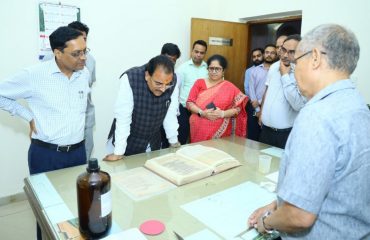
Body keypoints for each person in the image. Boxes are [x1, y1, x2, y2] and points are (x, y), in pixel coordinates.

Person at [248, 24, 370, 239]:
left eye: (297, 61)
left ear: (314, 58)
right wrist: (279, 205)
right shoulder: (357, 104)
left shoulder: (318, 114)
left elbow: (299, 216)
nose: (294, 70)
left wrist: (266, 221)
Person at [0, 26, 90, 240]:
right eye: (76, 53)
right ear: (57, 53)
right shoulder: (34, 75)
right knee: (48, 213)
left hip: (78, 153)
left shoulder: (83, 73)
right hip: (47, 155)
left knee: (77, 209)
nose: (83, 58)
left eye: (85, 51)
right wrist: (27, 115)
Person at [105, 55, 180, 161]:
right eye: (158, 83)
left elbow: (170, 113)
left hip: (152, 143)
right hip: (125, 142)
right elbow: (123, 119)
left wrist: (173, 140)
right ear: (147, 75)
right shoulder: (131, 78)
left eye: (167, 84)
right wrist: (118, 152)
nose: (163, 89)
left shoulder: (173, 80)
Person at [43, 21, 96, 161]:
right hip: (59, 129)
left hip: (84, 122)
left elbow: (88, 89)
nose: (82, 55)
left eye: (84, 40)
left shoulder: (90, 62)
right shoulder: (49, 61)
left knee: (82, 166)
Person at [259, 34, 306, 148]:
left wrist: (285, 75)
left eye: (291, 52)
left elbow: (298, 104)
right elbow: (267, 90)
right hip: (265, 130)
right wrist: (261, 112)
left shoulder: (303, 72)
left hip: (285, 134)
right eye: (283, 49)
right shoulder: (274, 66)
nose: (285, 55)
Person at [186, 54, 247, 143]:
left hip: (221, 131)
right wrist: (202, 112)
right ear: (208, 69)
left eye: (217, 69)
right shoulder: (199, 83)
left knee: (217, 154)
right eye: (211, 68)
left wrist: (222, 113)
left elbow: (238, 109)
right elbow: (189, 103)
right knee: (198, 153)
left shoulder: (230, 87)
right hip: (198, 127)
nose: (214, 71)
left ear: (223, 71)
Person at [177, 40, 208, 144]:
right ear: (192, 51)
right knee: (182, 137)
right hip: (184, 109)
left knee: (199, 139)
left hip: (202, 110)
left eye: (202, 53)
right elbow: (177, 90)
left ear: (205, 53)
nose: (198, 55)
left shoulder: (208, 69)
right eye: (196, 51)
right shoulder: (182, 69)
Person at [247, 44, 277, 141]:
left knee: (266, 139)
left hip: (270, 109)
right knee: (252, 138)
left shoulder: (278, 71)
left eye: (272, 53)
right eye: (267, 52)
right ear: (263, 54)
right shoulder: (254, 71)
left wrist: (260, 102)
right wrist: (257, 109)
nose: (269, 55)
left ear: (276, 55)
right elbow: (251, 90)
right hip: (254, 108)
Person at [159, 43, 181, 148]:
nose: (170, 62)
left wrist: (173, 139)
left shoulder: (174, 78)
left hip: (166, 121)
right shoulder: (146, 73)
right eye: (168, 58)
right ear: (161, 55)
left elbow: (171, 108)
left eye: (173, 60)